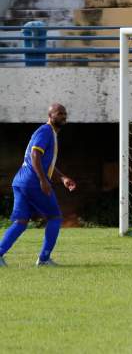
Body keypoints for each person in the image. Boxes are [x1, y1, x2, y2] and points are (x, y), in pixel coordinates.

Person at [0, 103, 77, 267]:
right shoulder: (45, 131)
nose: (63, 116)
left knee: (20, 222)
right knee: (55, 217)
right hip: (32, 182)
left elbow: (45, 162)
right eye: (59, 113)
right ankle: (44, 259)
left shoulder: (50, 134)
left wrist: (62, 178)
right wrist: (43, 180)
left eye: (64, 113)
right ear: (50, 116)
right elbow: (35, 155)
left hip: (21, 181)